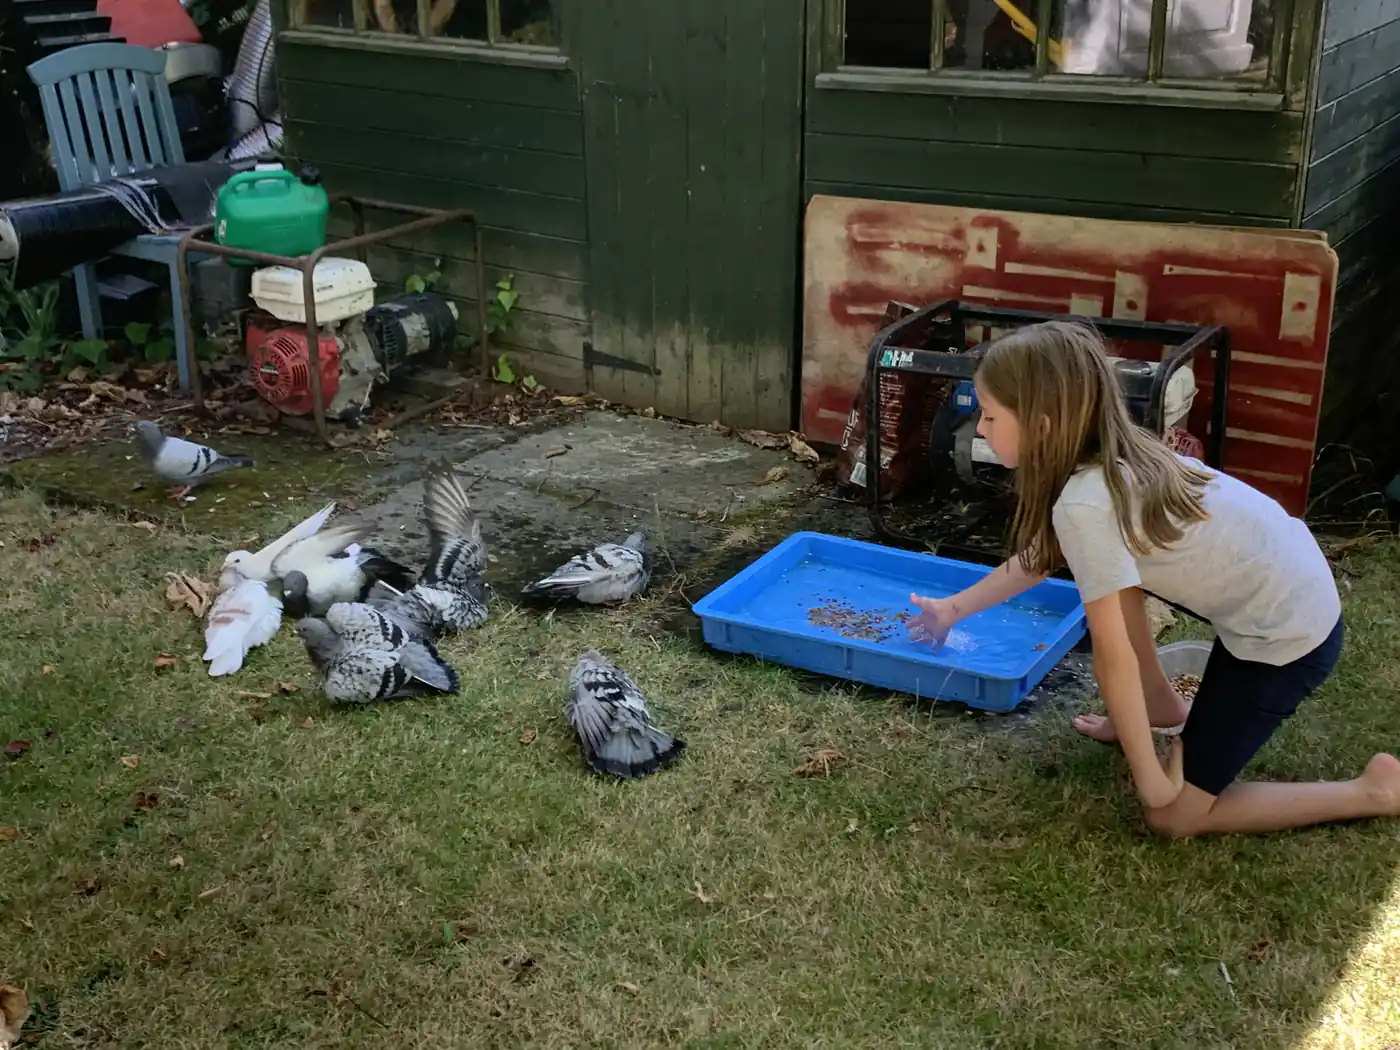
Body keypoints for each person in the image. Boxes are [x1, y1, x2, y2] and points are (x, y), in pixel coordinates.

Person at [906, 320, 1400, 837]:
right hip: (1290, 589)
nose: (980, 428)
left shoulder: (1085, 504)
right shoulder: (1116, 453)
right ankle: (1159, 704)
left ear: (1044, 425)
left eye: (988, 415)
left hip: (1284, 639)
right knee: (1115, 583)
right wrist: (953, 609)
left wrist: (1152, 781)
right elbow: (1043, 557)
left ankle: (1373, 791)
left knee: (1171, 818)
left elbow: (1112, 654)